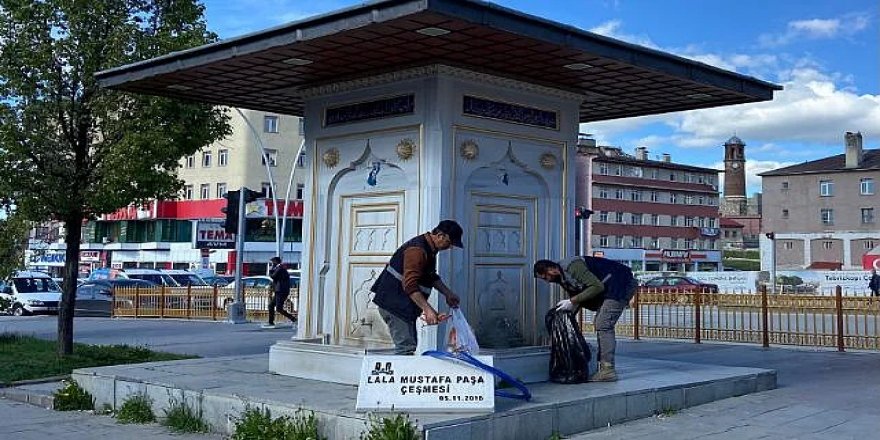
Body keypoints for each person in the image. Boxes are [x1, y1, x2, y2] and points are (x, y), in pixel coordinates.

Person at [534, 256, 638, 382]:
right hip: (609, 287)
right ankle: (604, 367)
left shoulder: (572, 267)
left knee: (603, 324)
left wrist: (572, 301)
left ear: (551, 269)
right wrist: (564, 318)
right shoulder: (562, 277)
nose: (547, 281)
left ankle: (607, 370)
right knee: (600, 323)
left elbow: (596, 287)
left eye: (546, 277)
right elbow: (579, 296)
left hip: (620, 284)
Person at [371, 220, 463, 355]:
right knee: (406, 348)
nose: (450, 247)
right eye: (449, 243)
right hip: (394, 306)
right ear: (440, 236)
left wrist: (447, 293)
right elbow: (410, 284)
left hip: (401, 305)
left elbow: (430, 276)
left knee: (407, 346)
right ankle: (397, 375)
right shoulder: (417, 251)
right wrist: (427, 309)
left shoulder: (429, 249)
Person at [262, 256, 298, 329]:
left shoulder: (280, 269)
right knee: (271, 305)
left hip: (281, 291)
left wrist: (271, 270)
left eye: (273, 262)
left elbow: (273, 276)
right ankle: (270, 322)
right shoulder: (280, 268)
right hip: (280, 291)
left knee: (278, 308)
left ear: (276, 262)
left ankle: (294, 319)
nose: (272, 264)